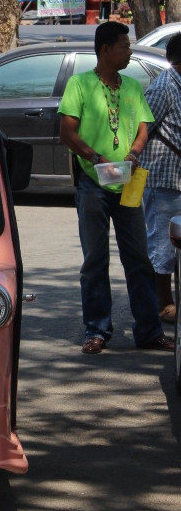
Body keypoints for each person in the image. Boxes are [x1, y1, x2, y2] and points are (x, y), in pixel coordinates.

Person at [58, 21, 174, 354]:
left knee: (138, 258)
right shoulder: (80, 84)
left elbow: (142, 128)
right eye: (125, 46)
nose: (129, 52)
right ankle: (96, 330)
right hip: (93, 184)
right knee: (94, 260)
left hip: (126, 183)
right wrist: (92, 156)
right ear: (106, 49)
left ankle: (149, 331)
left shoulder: (133, 86)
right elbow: (67, 132)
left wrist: (135, 153)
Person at [139, 31, 181, 324]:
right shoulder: (165, 86)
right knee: (162, 245)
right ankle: (162, 304)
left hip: (177, 179)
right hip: (163, 179)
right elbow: (141, 129)